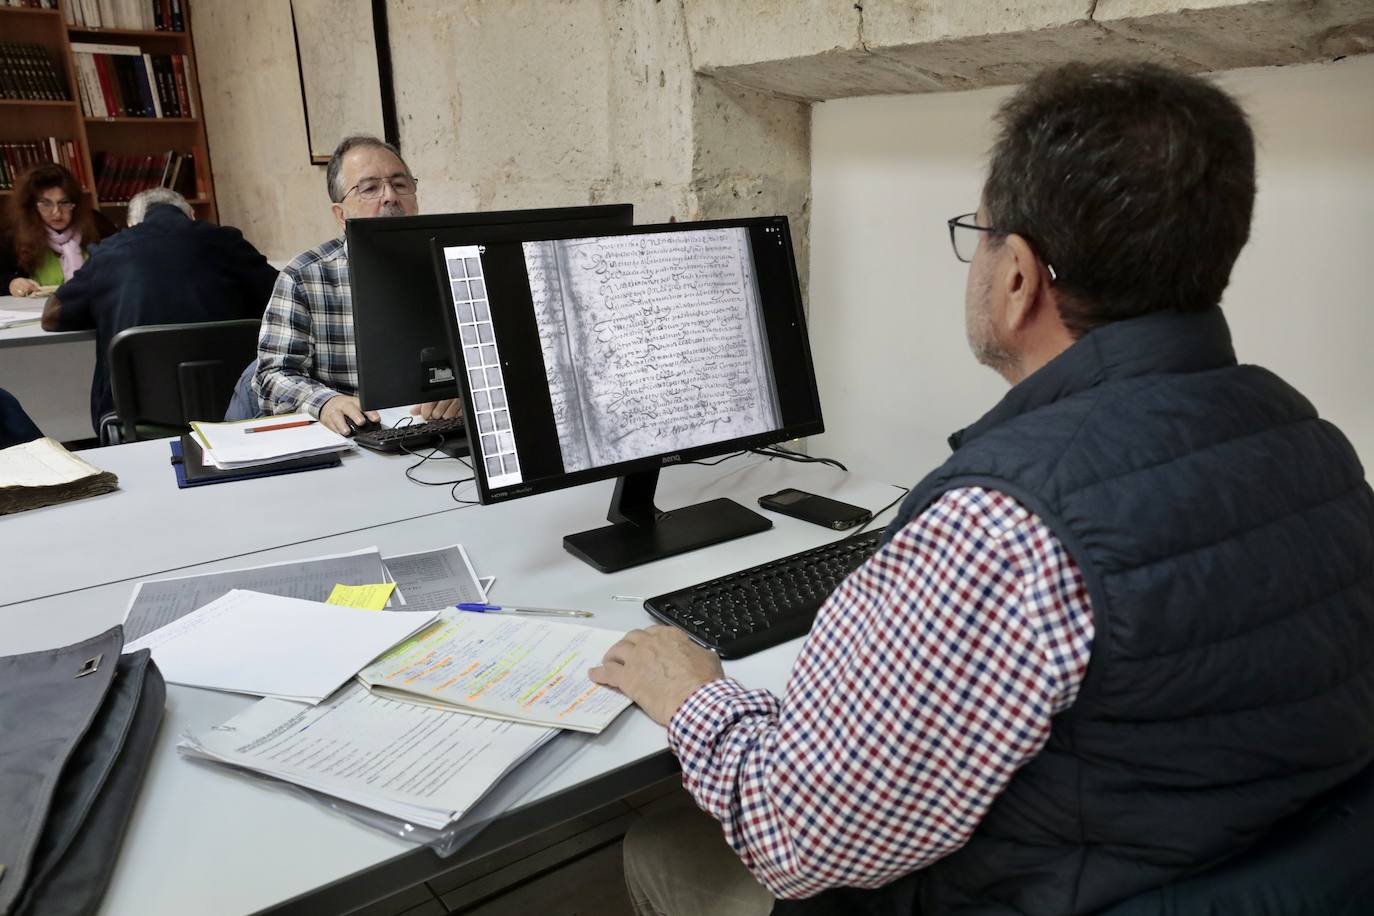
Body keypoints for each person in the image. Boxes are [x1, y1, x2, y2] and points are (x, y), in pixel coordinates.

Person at [591, 62, 1374, 915]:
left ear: (1018, 277)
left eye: (982, 232)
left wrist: (694, 696)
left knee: (662, 847)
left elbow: (798, 839)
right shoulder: (1302, 433)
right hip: (1272, 877)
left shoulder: (1001, 524)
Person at [253, 135, 463, 434]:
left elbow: (499, 358)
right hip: (354, 436)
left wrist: (465, 391)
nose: (390, 196)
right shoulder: (305, 276)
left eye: (400, 184)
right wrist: (325, 402)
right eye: (370, 188)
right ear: (341, 214)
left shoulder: (457, 264)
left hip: (442, 432)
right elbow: (272, 376)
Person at [40, 188, 278, 435]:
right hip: (237, 410)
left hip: (134, 419)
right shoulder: (228, 241)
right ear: (192, 215)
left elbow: (51, 317)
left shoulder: (109, 253)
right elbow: (283, 299)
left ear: (131, 224)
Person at [2, 163, 105, 297]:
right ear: (31, 207)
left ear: (75, 204)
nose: (56, 213)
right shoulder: (13, 238)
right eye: (46, 204)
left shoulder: (97, 227)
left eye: (64, 203)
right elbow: (3, 276)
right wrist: (13, 283)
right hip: (40, 314)